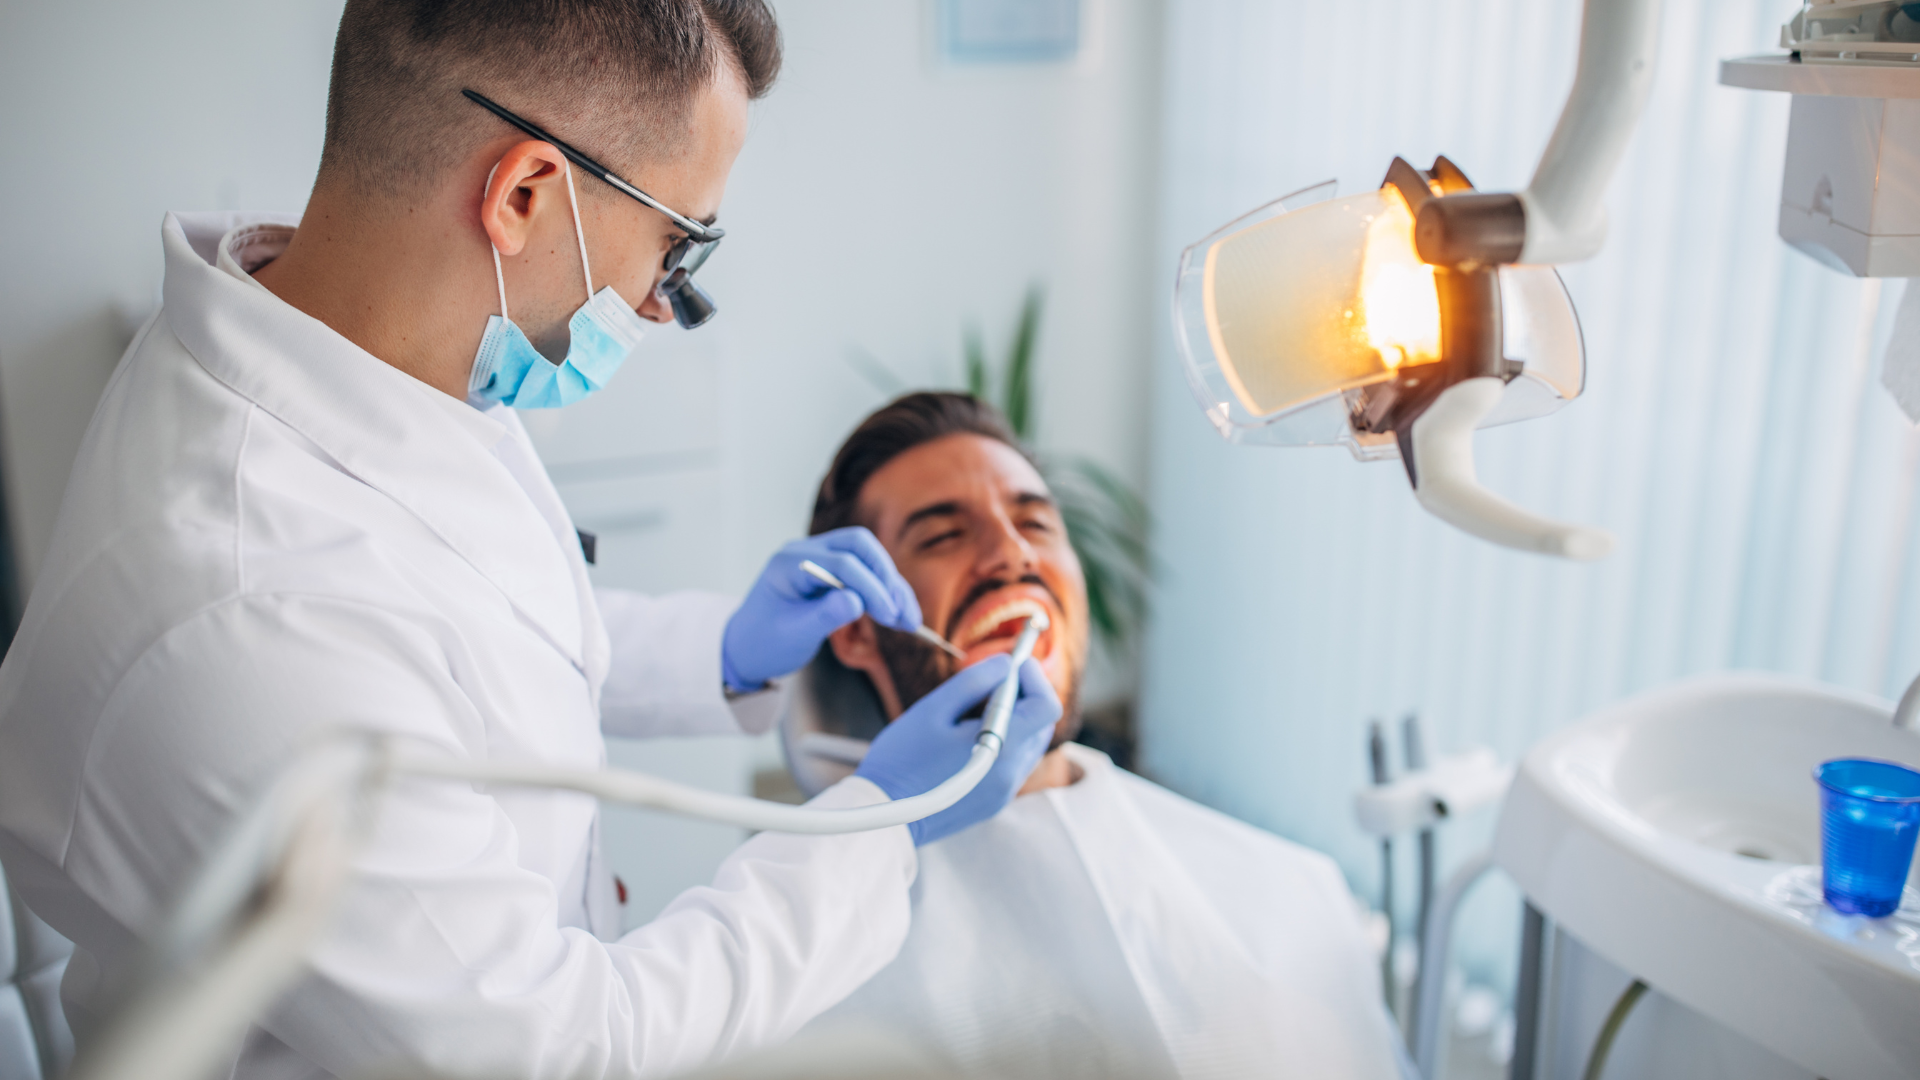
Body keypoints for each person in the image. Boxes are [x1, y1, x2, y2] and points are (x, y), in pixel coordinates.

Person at [0, 5, 1059, 1079]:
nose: (658, 304)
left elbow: (457, 649)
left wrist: (720, 654)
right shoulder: (248, 607)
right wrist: (875, 828)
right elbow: (555, 1047)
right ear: (522, 196)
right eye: (677, 244)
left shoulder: (355, 341)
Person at [782, 393, 1409, 1080]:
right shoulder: (804, 987)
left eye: (1036, 523)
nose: (1012, 554)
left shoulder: (1296, 893)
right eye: (942, 536)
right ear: (856, 631)